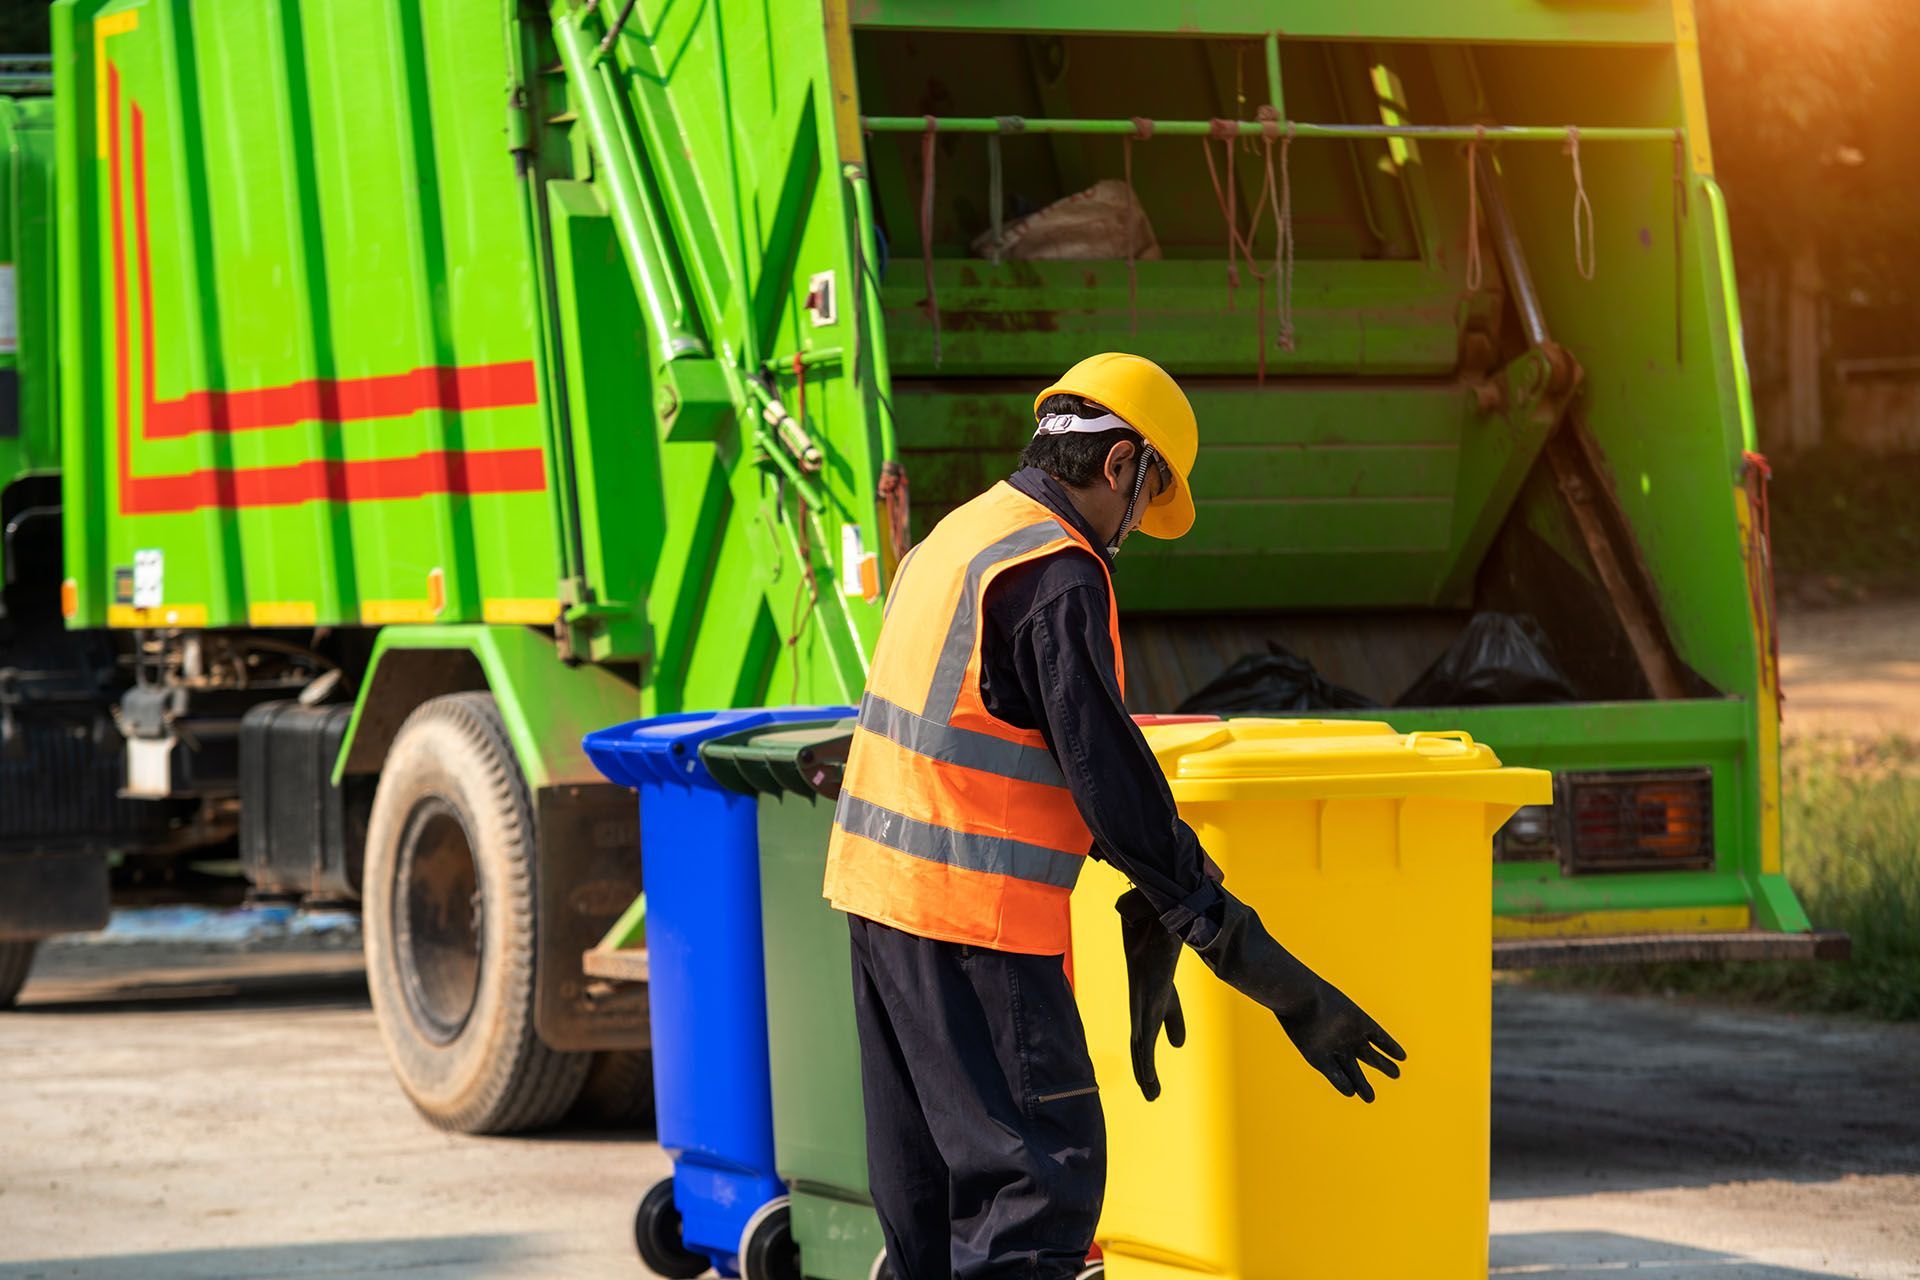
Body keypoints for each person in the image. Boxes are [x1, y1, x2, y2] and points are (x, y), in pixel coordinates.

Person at [822, 352, 1405, 1280]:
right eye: (1147, 496)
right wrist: (1246, 951)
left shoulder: (959, 537)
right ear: (1122, 461)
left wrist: (1152, 901)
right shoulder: (1057, 571)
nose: (1134, 527)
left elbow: (1000, 743)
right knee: (1035, 1190)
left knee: (927, 1218)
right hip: (979, 931)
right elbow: (1111, 781)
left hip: (883, 911)